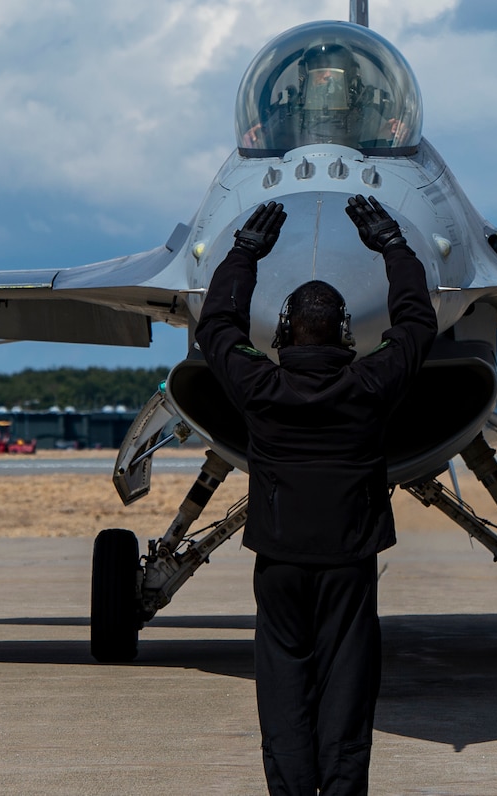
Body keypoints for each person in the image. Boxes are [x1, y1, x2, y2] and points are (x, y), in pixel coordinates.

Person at [196, 195, 438, 796]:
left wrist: (245, 254)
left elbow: (217, 327)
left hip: (279, 565)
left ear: (281, 333)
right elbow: (416, 323)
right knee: (347, 698)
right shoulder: (369, 385)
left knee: (283, 699)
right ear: (348, 334)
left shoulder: (260, 385)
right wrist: (393, 245)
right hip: (348, 567)